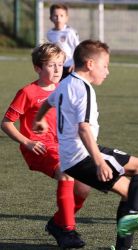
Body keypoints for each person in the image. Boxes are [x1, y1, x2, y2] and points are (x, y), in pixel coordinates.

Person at [33, 40, 138, 250]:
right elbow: (84, 128)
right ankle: (131, 221)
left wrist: (39, 119)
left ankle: (130, 223)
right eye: (105, 66)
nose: (107, 72)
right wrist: (99, 162)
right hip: (82, 157)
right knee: (133, 189)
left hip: (75, 155)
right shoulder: (84, 89)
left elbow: (49, 101)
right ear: (90, 64)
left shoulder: (66, 82)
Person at [1, 43, 90, 248]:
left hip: (63, 146)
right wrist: (28, 142)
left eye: (60, 64)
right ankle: (67, 230)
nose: (58, 69)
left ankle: (57, 223)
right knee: (66, 172)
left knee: (84, 187)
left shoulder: (65, 88)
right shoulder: (28, 92)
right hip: (38, 148)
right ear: (38, 68)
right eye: (51, 65)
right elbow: (6, 123)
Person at [47, 3, 79, 80]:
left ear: (66, 18)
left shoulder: (70, 32)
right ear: (51, 18)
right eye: (55, 16)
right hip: (57, 66)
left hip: (70, 66)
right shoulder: (49, 34)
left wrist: (76, 63)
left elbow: (78, 48)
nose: (58, 18)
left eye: (61, 16)